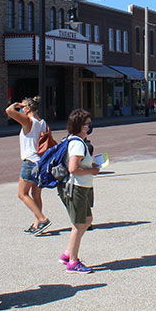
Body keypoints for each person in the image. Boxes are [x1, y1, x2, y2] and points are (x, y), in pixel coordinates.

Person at [57, 108, 100, 274]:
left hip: (81, 187)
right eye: (88, 124)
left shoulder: (75, 141)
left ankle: (68, 254)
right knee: (79, 224)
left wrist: (91, 166)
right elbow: (73, 168)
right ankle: (73, 262)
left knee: (87, 219)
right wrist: (92, 171)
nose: (90, 127)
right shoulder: (77, 144)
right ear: (80, 126)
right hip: (76, 188)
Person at [6, 96, 51, 236]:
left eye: (24, 107)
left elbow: (9, 111)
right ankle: (37, 224)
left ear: (28, 108)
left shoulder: (29, 121)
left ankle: (42, 219)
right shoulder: (42, 122)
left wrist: (17, 105)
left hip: (30, 161)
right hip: (40, 161)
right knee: (36, 194)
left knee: (22, 194)